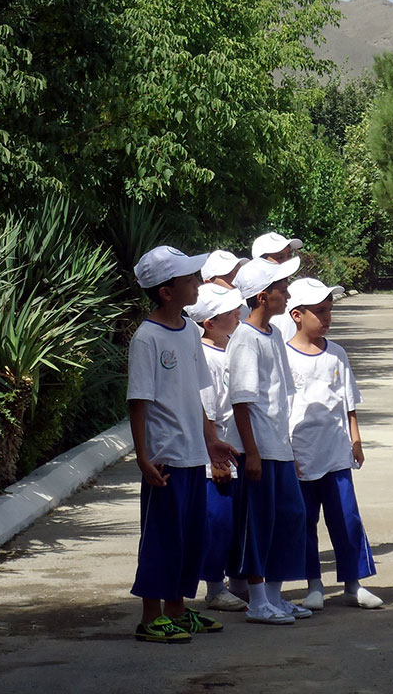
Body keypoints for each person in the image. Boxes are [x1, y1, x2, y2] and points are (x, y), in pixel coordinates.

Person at [127, 246, 239, 642]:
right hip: (166, 458)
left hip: (193, 453)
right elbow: (138, 402)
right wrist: (143, 456)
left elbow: (196, 392)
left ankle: (177, 610)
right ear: (166, 291)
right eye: (188, 279)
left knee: (191, 537)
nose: (196, 283)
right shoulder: (146, 338)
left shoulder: (191, 330)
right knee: (162, 536)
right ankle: (150, 616)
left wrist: (212, 440)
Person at [283, 278, 383, 611]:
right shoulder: (284, 355)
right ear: (297, 315)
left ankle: (354, 584)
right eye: (320, 312)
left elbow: (347, 401)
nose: (327, 318)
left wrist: (356, 439)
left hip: (337, 451)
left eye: (329, 311)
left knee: (346, 517)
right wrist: (288, 452)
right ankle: (314, 583)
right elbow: (280, 408)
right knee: (306, 520)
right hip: (302, 453)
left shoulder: (336, 353)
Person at [226, 256, 311, 625]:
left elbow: (280, 397)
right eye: (281, 288)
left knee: (289, 518)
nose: (288, 293)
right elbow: (241, 401)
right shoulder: (245, 339)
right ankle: (257, 600)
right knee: (258, 524)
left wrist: (286, 449)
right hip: (256, 448)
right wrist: (253, 453)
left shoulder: (274, 335)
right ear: (263, 296)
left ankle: (275, 596)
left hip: (278, 447)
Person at [185, 283, 250, 612]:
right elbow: (207, 409)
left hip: (239, 449)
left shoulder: (233, 348)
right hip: (219, 456)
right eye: (229, 312)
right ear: (209, 322)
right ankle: (213, 586)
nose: (238, 314)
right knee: (219, 523)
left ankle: (239, 581)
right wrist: (215, 459)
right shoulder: (204, 356)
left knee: (239, 522)